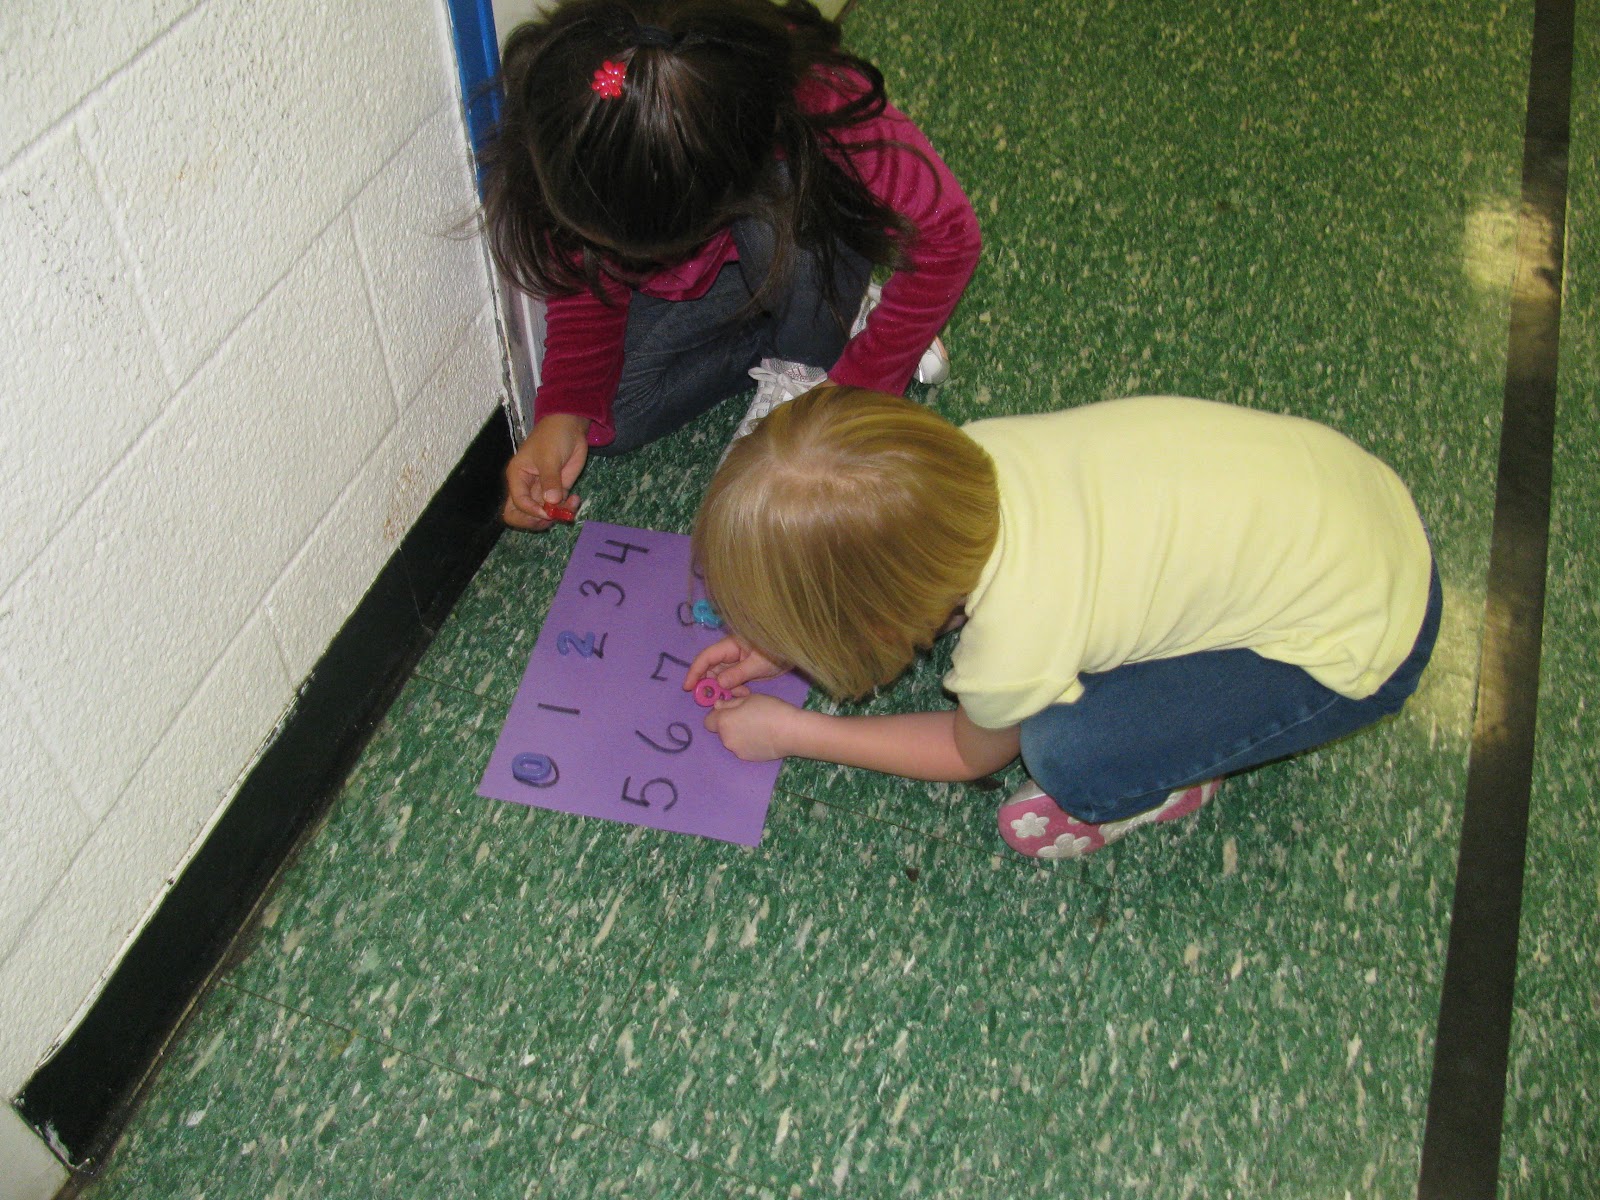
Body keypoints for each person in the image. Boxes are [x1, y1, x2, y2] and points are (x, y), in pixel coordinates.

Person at [682, 386, 1442, 859]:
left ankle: (1169, 784)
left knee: (1066, 753)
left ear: (879, 625)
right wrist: (789, 632)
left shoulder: (1013, 640)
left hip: (1364, 645)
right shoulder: (975, 454)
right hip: (1358, 503)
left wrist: (791, 732)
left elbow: (965, 753)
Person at [480, 0, 981, 531]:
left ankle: (812, 352)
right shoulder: (569, 126)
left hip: (795, 233)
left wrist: (855, 387)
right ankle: (831, 321)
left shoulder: (809, 93)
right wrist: (563, 413)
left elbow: (950, 238)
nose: (629, 262)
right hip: (733, 274)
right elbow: (588, 284)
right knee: (616, 418)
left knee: (792, 212)